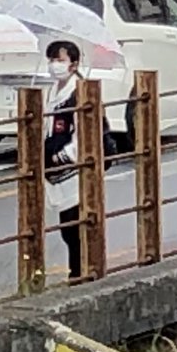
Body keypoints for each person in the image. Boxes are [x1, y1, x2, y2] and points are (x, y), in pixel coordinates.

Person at [44, 41, 114, 282]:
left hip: (76, 169)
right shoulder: (53, 91)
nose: (55, 65)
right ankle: (79, 273)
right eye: (52, 59)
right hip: (58, 172)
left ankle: (82, 273)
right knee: (69, 225)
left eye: (60, 60)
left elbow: (85, 134)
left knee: (75, 226)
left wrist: (61, 156)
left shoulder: (78, 93)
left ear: (74, 64)